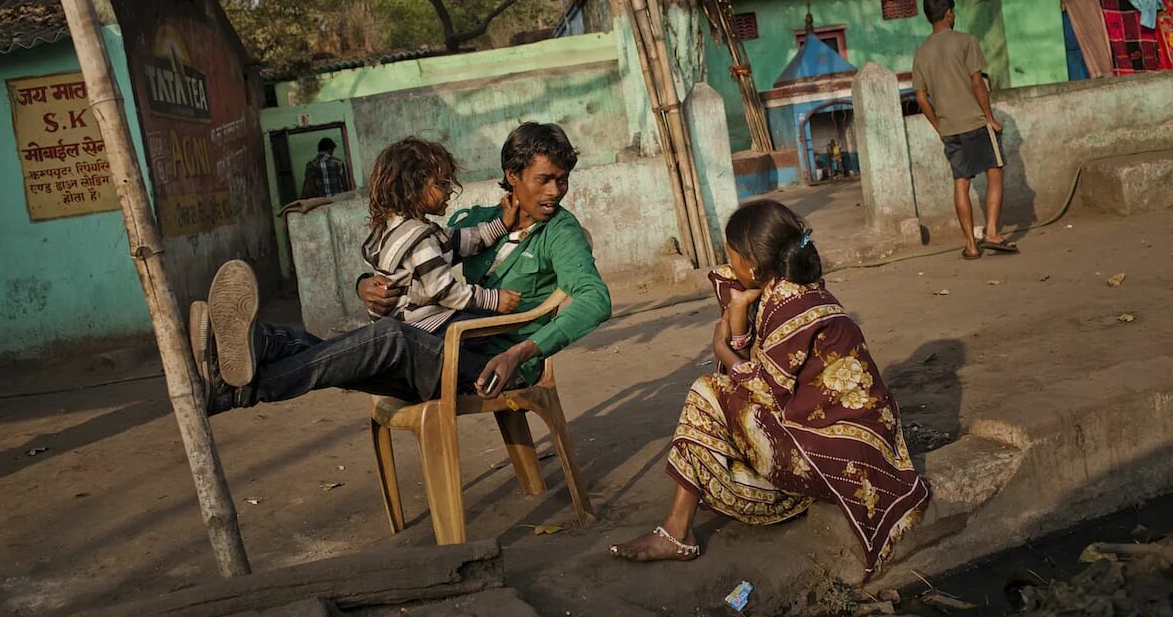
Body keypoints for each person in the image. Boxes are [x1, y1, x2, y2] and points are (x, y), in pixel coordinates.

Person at [190, 122, 611, 413]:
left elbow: (595, 300)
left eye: (563, 179)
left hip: (491, 370)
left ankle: (240, 389)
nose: (557, 191)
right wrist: (365, 286)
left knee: (386, 338)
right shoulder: (475, 222)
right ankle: (257, 344)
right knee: (356, 347)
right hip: (444, 354)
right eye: (545, 179)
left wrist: (523, 351)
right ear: (512, 176)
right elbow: (415, 258)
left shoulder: (561, 232)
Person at [608, 200, 928, 577]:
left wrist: (723, 350)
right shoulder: (792, 290)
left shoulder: (790, 306)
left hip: (828, 453)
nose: (727, 266)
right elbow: (763, 364)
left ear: (753, 266)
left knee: (705, 392)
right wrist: (739, 315)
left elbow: (759, 387)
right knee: (723, 391)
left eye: (731, 257)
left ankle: (678, 532)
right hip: (844, 441)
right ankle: (681, 525)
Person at [360, 136, 522, 332]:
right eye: (442, 183)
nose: (449, 191)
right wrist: (492, 299)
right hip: (419, 327)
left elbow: (463, 240)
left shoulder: (399, 228)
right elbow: (444, 290)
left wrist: (503, 224)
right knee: (485, 327)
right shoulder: (419, 240)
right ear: (415, 186)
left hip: (400, 326)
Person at [912, 0, 1019, 260]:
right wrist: (990, 118)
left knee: (961, 182)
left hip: (950, 128)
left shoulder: (921, 53)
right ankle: (992, 232)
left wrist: (939, 126)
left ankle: (971, 245)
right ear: (949, 13)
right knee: (995, 171)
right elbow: (977, 83)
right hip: (975, 122)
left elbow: (921, 98)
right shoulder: (966, 41)